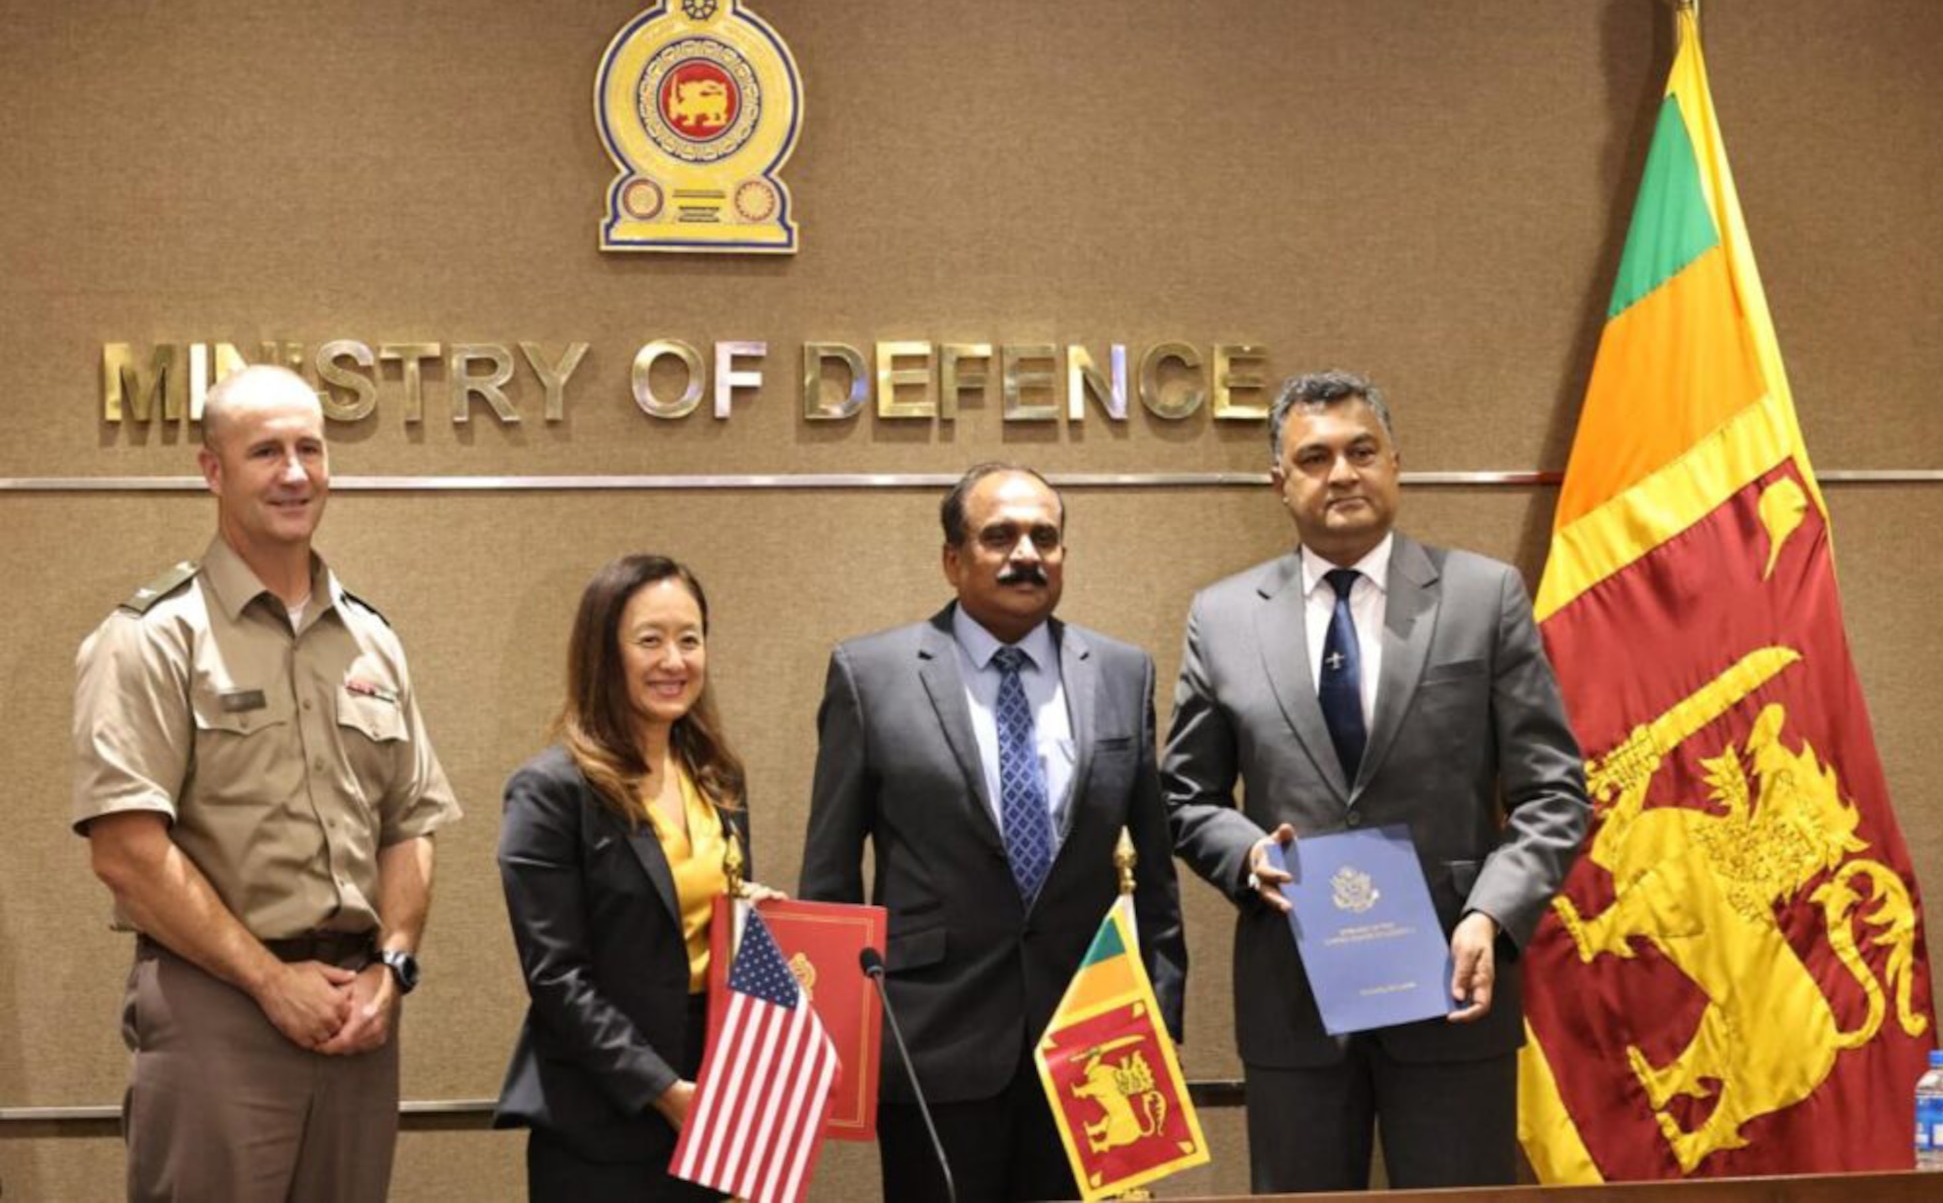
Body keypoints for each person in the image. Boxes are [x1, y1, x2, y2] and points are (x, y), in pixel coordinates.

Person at [1161, 369, 1588, 1192]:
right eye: (1314, 458)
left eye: (1362, 451)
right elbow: (1187, 796)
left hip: (1455, 985)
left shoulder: (1483, 595)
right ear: (1279, 483)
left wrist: (1491, 917)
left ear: (1396, 461)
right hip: (1295, 996)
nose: (1343, 473)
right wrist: (1248, 858)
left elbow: (1552, 792)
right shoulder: (1222, 617)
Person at [72, 364, 461, 1203]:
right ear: (213, 470)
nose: (294, 473)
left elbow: (409, 824)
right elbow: (128, 854)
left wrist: (392, 969)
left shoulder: (371, 641)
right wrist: (267, 980)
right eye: (265, 452)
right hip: (219, 1012)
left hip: (359, 1016)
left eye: (310, 449)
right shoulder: (150, 638)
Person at [799, 462, 1186, 1203]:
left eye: (1046, 537)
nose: (1026, 554)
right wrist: (844, 1035)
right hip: (931, 1046)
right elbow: (831, 880)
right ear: (953, 558)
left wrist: (1161, 1015)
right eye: (1000, 535)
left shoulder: (1121, 671)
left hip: (1094, 1046)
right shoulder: (870, 674)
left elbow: (1156, 875)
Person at [495, 553, 782, 1201]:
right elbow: (557, 979)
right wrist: (662, 1091)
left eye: (690, 639)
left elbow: (712, 924)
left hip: (716, 1097)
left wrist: (755, 917)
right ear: (605, 652)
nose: (674, 661)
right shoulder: (550, 792)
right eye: (650, 640)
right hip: (604, 1118)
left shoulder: (719, 777)